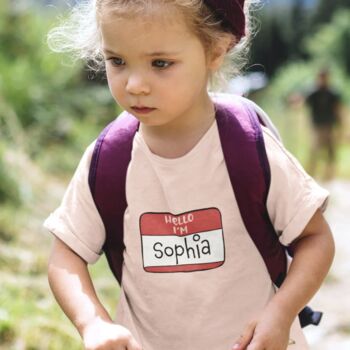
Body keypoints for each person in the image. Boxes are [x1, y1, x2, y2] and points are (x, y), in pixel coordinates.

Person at [44, 1, 335, 349]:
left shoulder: (248, 148)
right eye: (117, 61)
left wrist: (282, 311)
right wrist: (93, 323)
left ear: (215, 50)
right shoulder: (108, 158)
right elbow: (65, 255)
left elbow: (315, 240)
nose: (135, 84)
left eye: (160, 63)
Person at [305, 69, 342, 179]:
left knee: (330, 150)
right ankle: (311, 173)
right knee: (315, 150)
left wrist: (340, 126)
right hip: (317, 126)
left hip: (329, 126)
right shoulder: (313, 93)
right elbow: (304, 104)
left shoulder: (332, 93)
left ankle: (329, 175)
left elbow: (337, 109)